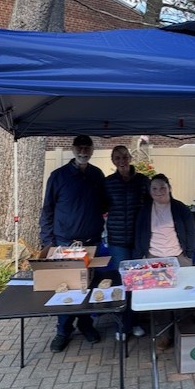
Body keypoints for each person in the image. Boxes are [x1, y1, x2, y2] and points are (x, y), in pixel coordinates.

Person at [40, 135, 107, 353]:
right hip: (64, 243)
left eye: (87, 147)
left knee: (88, 286)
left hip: (91, 242)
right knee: (66, 289)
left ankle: (86, 324)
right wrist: (47, 242)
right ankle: (63, 331)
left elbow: (105, 204)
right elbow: (47, 210)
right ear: (73, 149)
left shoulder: (97, 175)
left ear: (92, 150)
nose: (83, 151)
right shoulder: (58, 177)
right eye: (80, 147)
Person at [134, 173, 195, 349]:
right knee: (160, 300)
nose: (158, 191)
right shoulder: (145, 210)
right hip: (154, 259)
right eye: (154, 188)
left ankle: (185, 332)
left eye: (162, 187)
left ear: (169, 188)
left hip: (178, 258)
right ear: (150, 191)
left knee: (184, 296)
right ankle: (163, 334)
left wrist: (188, 255)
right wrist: (143, 256)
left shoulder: (180, 208)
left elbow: (191, 232)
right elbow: (139, 234)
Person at [104, 145, 150, 335]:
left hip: (138, 239)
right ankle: (122, 325)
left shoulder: (142, 180)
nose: (121, 160)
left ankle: (135, 321)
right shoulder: (108, 183)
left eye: (124, 156)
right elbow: (101, 205)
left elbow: (150, 206)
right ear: (113, 161)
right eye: (117, 158)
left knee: (137, 282)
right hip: (117, 240)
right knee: (122, 282)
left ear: (130, 157)